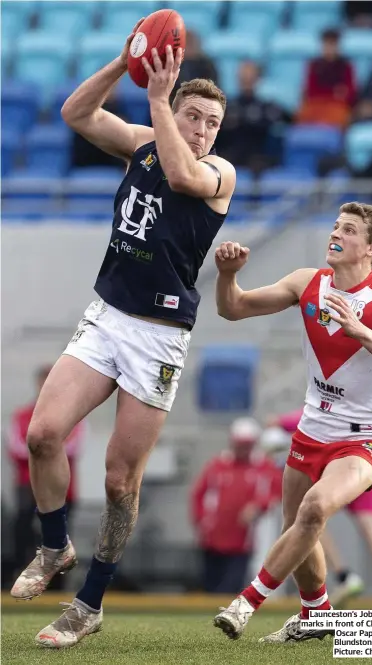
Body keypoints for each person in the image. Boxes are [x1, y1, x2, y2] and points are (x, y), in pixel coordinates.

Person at [10, 19, 236, 648]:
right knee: (44, 434)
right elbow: (76, 112)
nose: (200, 129)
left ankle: (89, 603)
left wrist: (162, 101)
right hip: (107, 316)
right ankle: (54, 546)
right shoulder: (143, 137)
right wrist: (123, 60)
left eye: (209, 122)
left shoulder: (220, 175)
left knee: (118, 480)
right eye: (192, 115)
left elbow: (185, 177)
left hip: (159, 336)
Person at [212, 201, 372, 643]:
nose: (335, 234)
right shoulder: (308, 282)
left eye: (349, 230)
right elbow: (234, 309)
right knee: (297, 529)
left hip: (368, 437)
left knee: (315, 509)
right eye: (335, 226)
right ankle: (317, 616)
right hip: (313, 429)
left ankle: (246, 602)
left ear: (371, 248)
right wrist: (228, 275)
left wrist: (363, 332)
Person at [267, 409, 372, 610]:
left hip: (337, 463)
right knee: (370, 525)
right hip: (368, 455)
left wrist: (277, 427)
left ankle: (343, 575)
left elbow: (292, 419)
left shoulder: (328, 401)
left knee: (307, 521)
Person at [8, 365, 85, 590]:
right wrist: (44, 447)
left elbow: (73, 446)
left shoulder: (74, 415)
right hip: (27, 484)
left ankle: (57, 582)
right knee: (23, 525)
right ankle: (22, 572)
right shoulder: (22, 415)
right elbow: (15, 447)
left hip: (62, 487)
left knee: (60, 530)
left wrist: (42, 447)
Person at [191, 418, 282, 594]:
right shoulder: (217, 465)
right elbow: (198, 494)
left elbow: (277, 491)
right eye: (240, 444)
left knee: (231, 587)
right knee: (210, 585)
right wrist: (201, 522)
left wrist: (258, 506)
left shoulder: (262, 467)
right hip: (212, 539)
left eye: (247, 444)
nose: (243, 449)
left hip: (242, 541)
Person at [216, 60, 291, 173]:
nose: (247, 80)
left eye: (250, 77)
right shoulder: (225, 107)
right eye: (243, 77)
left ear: (257, 79)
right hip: (230, 155)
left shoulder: (267, 107)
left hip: (258, 156)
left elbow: (290, 119)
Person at [296, 29, 356, 128]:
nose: (330, 48)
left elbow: (350, 92)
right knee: (302, 115)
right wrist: (334, 92)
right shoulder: (313, 65)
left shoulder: (346, 66)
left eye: (333, 44)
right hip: (316, 105)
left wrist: (337, 95)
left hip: (337, 106)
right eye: (327, 44)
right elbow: (311, 91)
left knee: (341, 117)